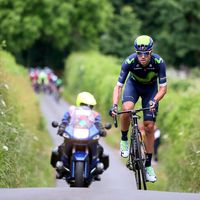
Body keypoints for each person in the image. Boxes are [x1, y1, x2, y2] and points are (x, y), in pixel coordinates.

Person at [110, 35, 167, 182]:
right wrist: (115, 105)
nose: (142, 57)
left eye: (146, 53)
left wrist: (155, 100)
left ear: (151, 51)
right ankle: (124, 140)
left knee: (149, 127)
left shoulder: (159, 62)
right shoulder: (129, 61)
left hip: (150, 91)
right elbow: (119, 86)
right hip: (133, 86)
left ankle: (148, 165)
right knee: (127, 108)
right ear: (136, 52)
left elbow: (163, 88)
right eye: (139, 53)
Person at [50, 91, 107, 180]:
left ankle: (96, 169)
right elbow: (64, 121)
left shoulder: (95, 114)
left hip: (89, 136)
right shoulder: (71, 112)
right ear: (79, 103)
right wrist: (61, 127)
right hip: (73, 134)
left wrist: (102, 130)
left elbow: (98, 123)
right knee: (57, 150)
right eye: (84, 104)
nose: (87, 107)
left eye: (89, 105)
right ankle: (61, 168)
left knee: (101, 150)